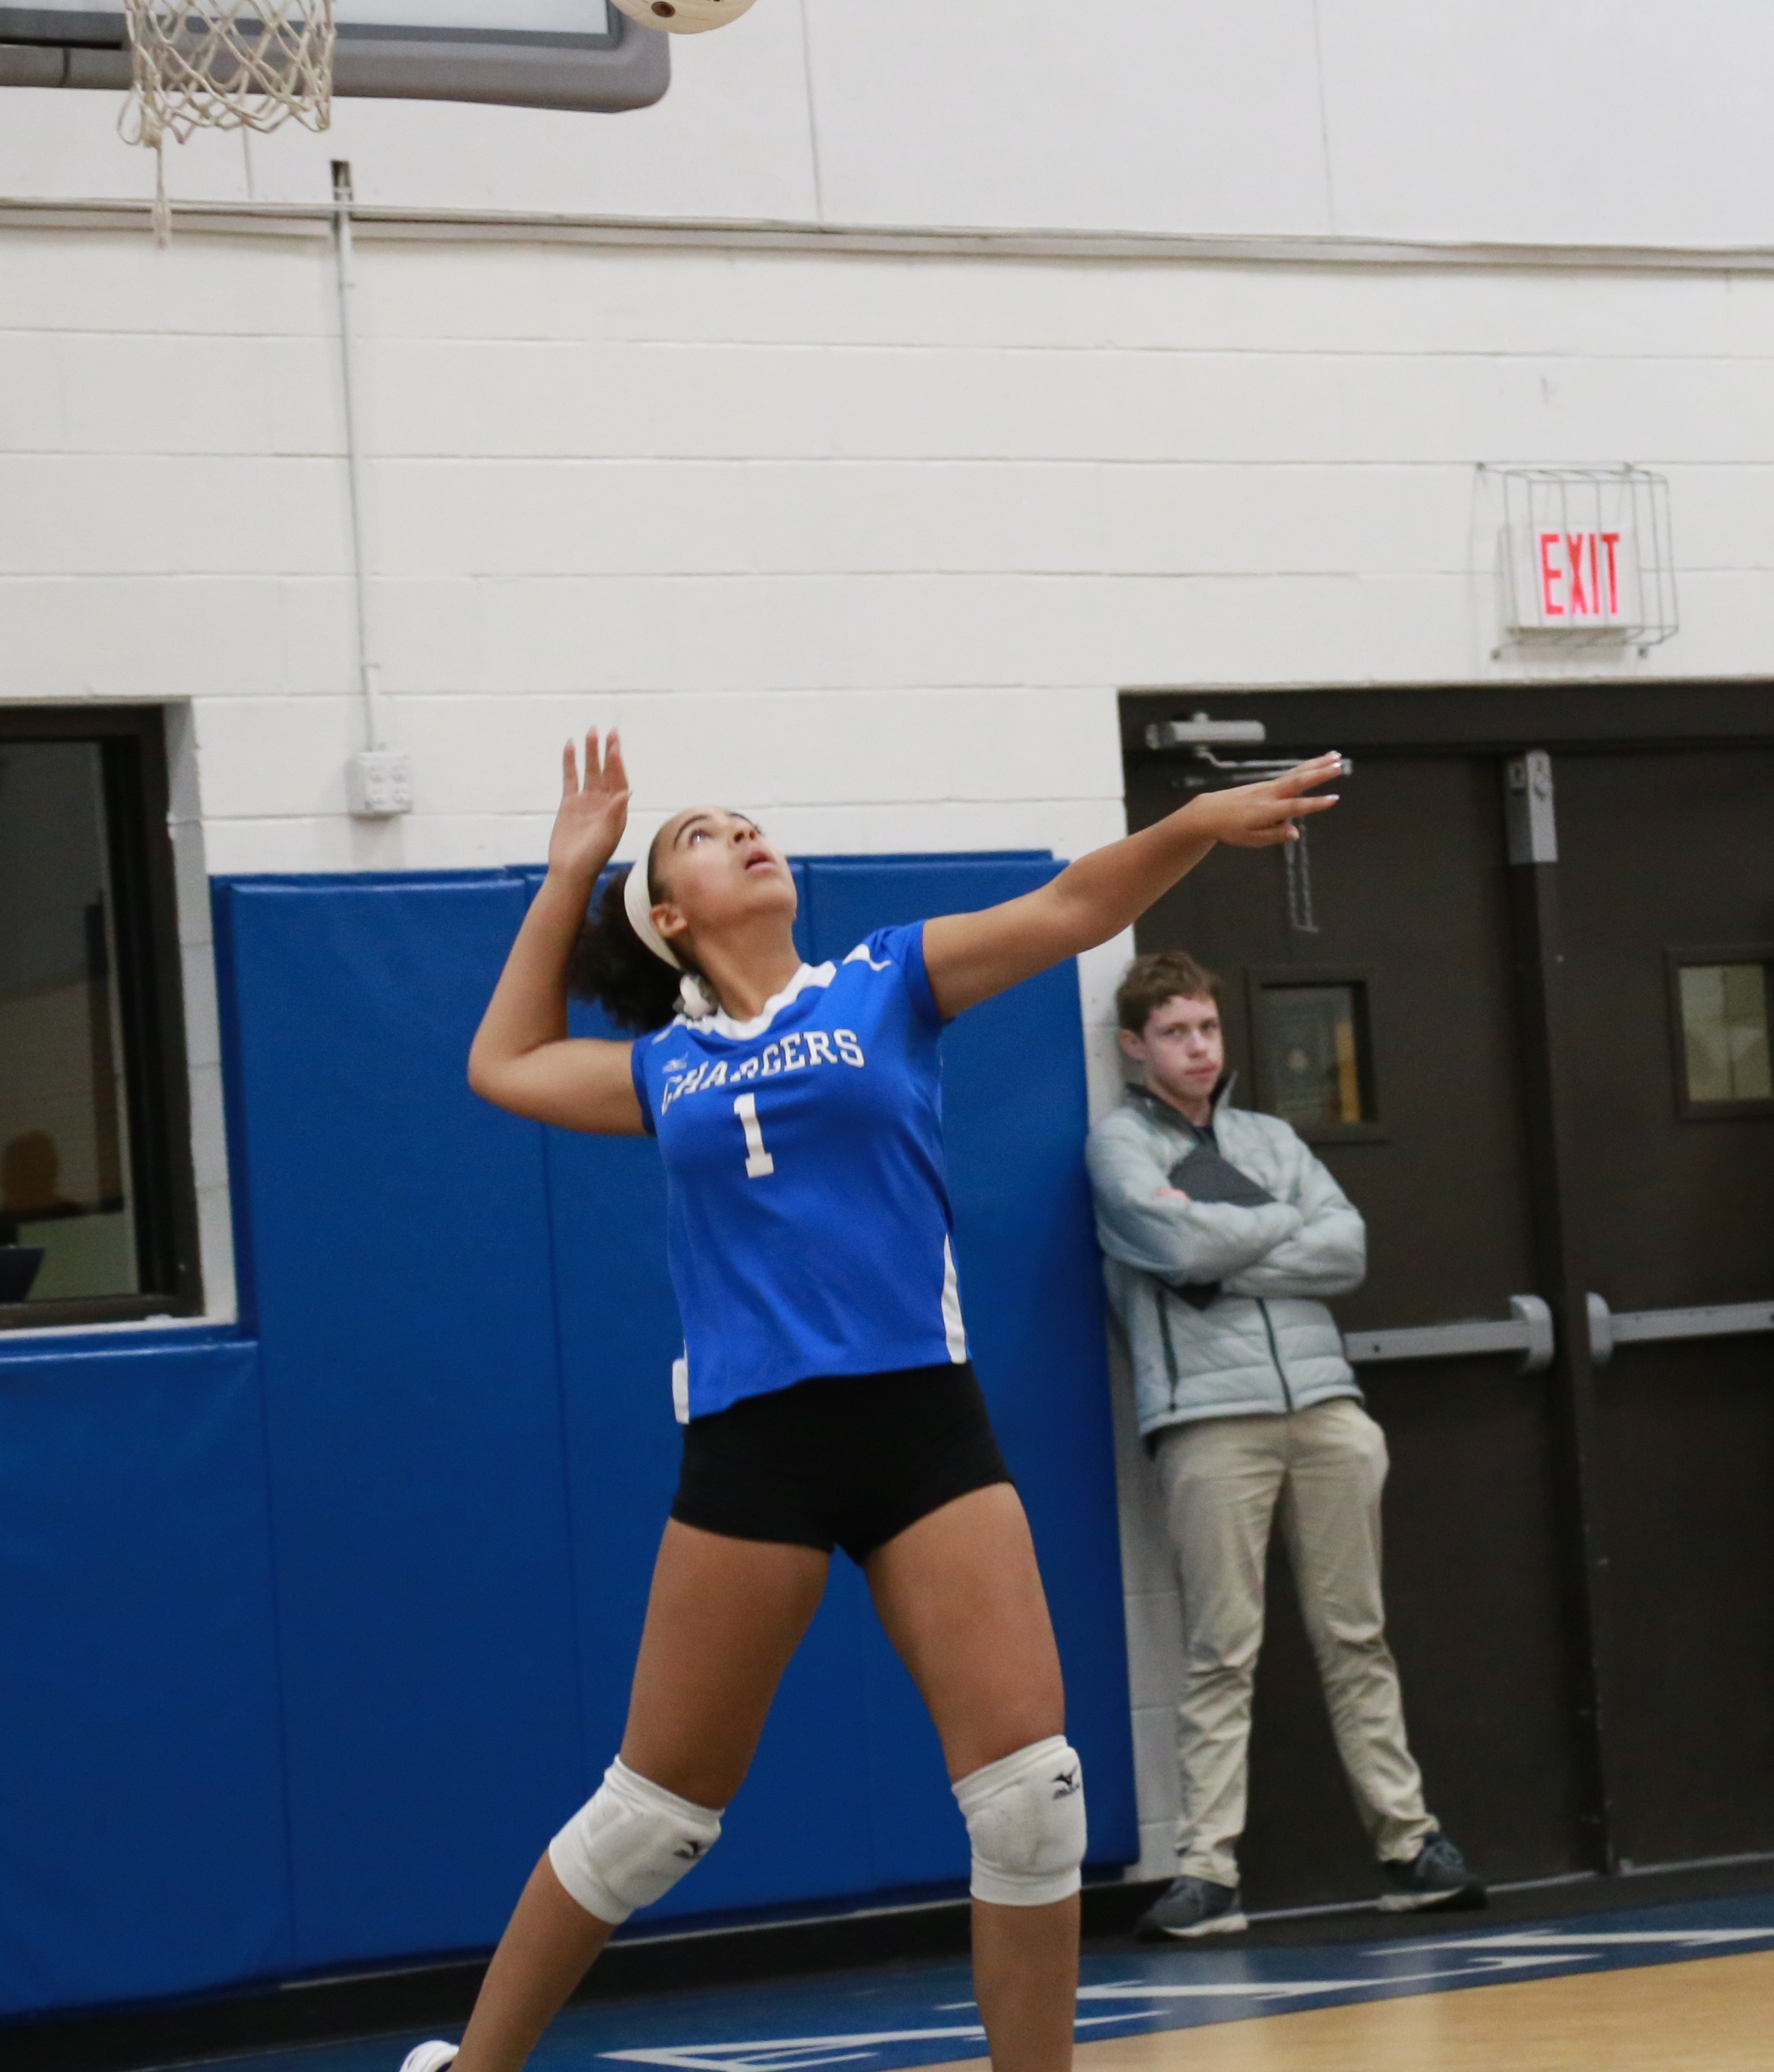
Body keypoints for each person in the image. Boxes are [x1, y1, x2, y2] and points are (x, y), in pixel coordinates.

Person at [410, 733, 1341, 2072]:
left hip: (921, 1429)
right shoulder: (662, 1068)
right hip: (754, 1450)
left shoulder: (888, 979)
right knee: (652, 1817)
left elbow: (1075, 904)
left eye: (746, 817)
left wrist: (1191, 819)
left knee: (1034, 1801)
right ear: (670, 916)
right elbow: (502, 1062)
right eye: (702, 834)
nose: (743, 831)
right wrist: (569, 870)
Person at [1088, 948, 1480, 1939]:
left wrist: (1226, 1244)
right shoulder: (1117, 1148)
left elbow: (1345, 1248)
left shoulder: (1269, 1137)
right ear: (1135, 1045)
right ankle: (1207, 1872)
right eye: (1175, 1032)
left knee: (1358, 1635)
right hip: (1209, 1426)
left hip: (1327, 1408)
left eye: (1208, 1029)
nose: (1198, 1048)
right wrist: (1264, 1234)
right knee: (1224, 1649)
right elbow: (1170, 1250)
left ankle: (1409, 1847)